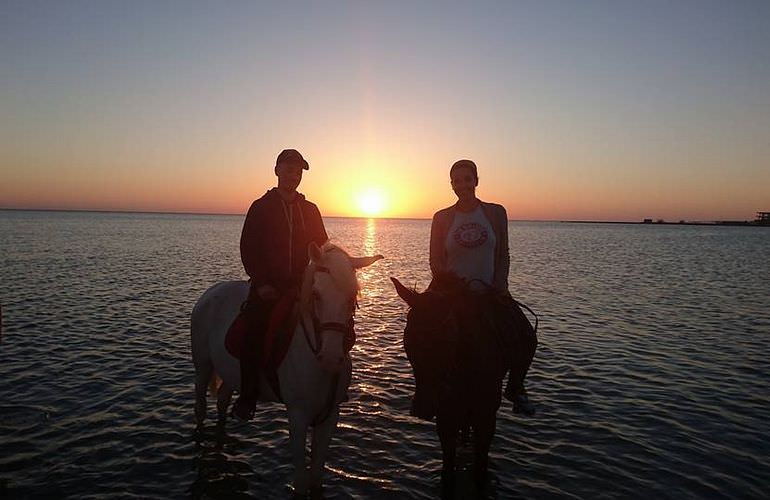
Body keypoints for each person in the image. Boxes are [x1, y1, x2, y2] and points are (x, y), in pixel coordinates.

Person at [429, 159, 537, 416]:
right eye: (457, 180)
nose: (463, 185)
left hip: (490, 292)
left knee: (526, 337)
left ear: (476, 181)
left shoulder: (496, 212)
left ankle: (515, 388)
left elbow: (503, 254)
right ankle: (426, 391)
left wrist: (500, 285)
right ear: (451, 185)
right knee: (420, 334)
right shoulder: (442, 217)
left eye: (468, 179)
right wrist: (450, 288)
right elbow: (435, 259)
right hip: (452, 296)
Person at [232, 148, 328, 421]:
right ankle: (248, 397)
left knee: (333, 323)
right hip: (269, 287)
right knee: (255, 331)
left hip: (303, 285)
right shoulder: (260, 207)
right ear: (276, 171)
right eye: (288, 170)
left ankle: (332, 384)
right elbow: (248, 248)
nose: (293, 176)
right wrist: (261, 284)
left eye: (298, 172)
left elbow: (321, 246)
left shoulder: (310, 210)